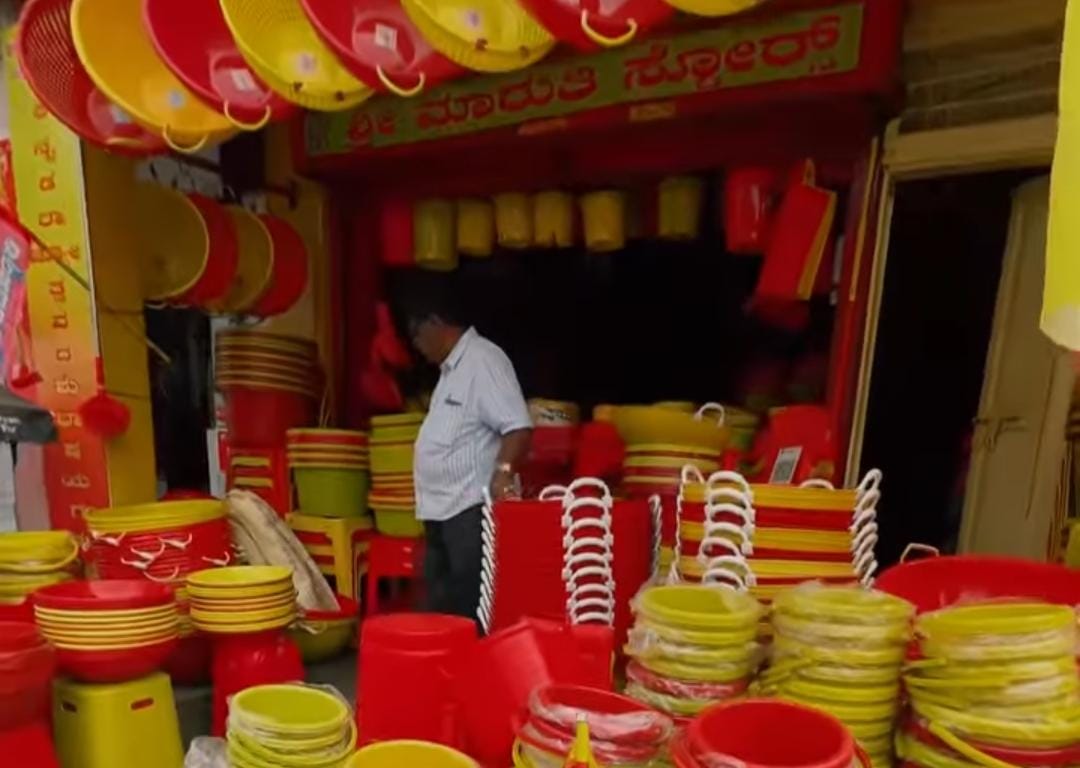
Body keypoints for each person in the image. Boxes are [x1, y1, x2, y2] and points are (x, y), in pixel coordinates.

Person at [406, 291, 532, 624]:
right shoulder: (450, 373)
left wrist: (503, 472)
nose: (417, 345)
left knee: (468, 607)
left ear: (436, 322)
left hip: (469, 510)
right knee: (441, 607)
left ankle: (472, 656)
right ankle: (448, 656)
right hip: (440, 509)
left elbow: (517, 426)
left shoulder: (483, 360)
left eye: (417, 334)